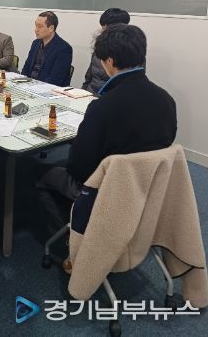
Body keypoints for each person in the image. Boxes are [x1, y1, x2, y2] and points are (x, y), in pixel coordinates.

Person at [36, 24, 177, 235]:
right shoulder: (166, 100)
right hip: (148, 185)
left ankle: (74, 238)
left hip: (105, 187)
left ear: (109, 62)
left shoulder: (102, 106)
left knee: (38, 173)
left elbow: (77, 168)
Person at [82, 8, 130, 94]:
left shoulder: (131, 52)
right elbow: (88, 78)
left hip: (112, 97)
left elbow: (129, 86)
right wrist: (82, 93)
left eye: (105, 29)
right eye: (102, 28)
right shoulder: (100, 46)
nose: (103, 32)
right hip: (90, 94)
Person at [22, 11, 72, 86]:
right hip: (29, 86)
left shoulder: (64, 49)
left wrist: (33, 87)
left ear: (51, 28)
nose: (36, 29)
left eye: (39, 26)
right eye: (35, 26)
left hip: (47, 89)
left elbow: (55, 80)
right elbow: (26, 69)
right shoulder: (35, 43)